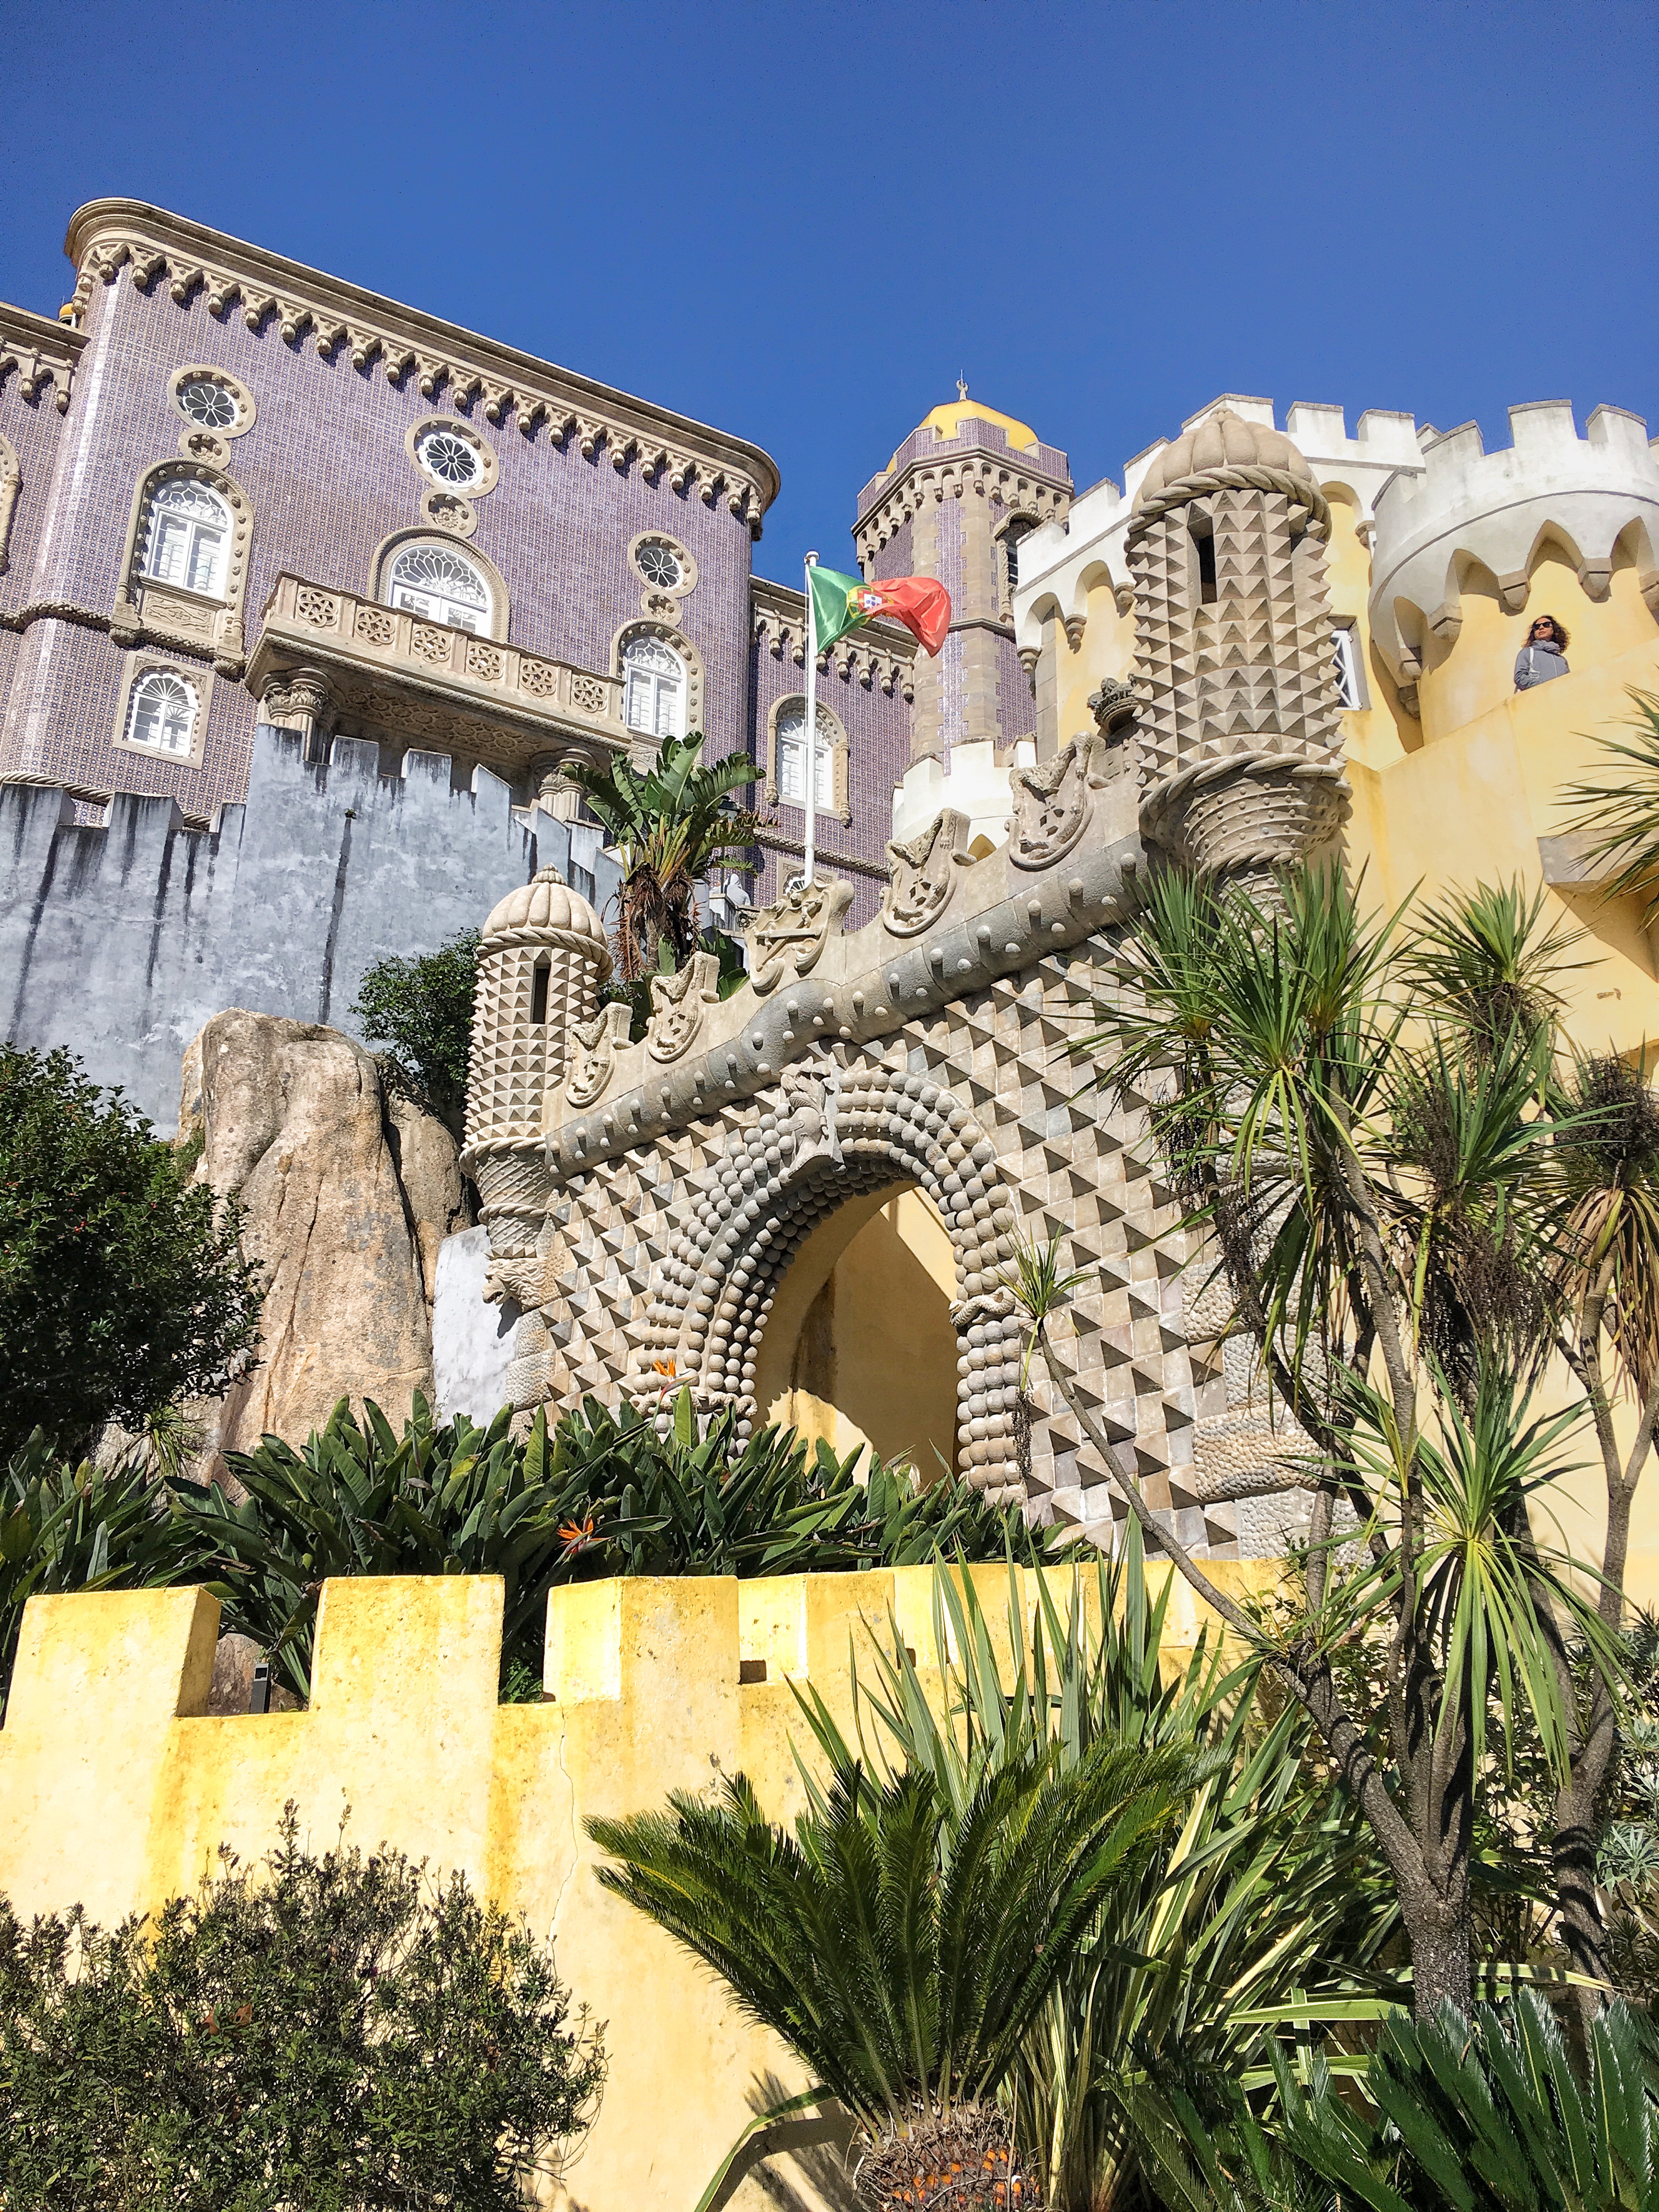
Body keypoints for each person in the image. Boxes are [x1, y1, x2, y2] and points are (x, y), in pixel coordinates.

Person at [1514, 613, 1570, 689]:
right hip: (1537, 698)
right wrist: (1544, 685)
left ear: (1553, 630)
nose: (1541, 628)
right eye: (1537, 627)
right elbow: (1520, 678)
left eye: (1546, 625)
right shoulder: (1527, 652)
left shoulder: (1562, 660)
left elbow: (1568, 682)